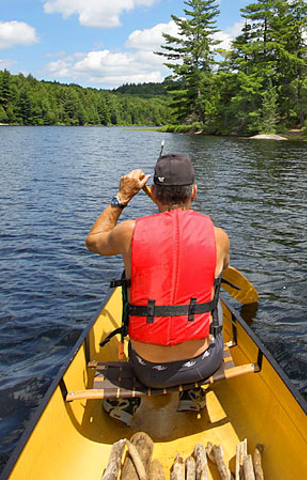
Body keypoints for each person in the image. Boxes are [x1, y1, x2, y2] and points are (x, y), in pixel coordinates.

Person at [85, 152, 230, 425]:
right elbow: (186, 232)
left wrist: (122, 197)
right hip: (202, 363)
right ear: (194, 192)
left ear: (152, 192)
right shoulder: (218, 237)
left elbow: (93, 241)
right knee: (214, 289)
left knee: (129, 273)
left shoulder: (129, 233)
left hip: (146, 369)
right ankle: (192, 393)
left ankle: (129, 399)